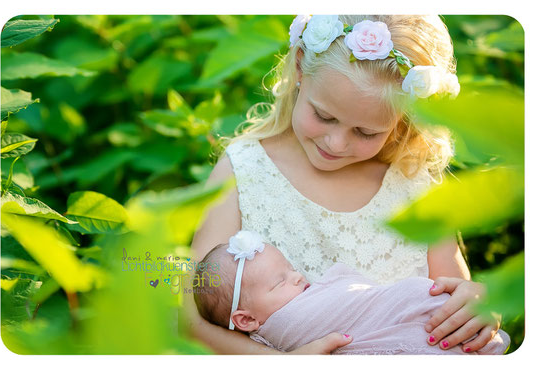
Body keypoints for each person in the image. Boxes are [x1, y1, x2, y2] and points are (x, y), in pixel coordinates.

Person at [186, 15, 501, 354]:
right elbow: (190, 321)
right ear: (301, 68)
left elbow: (455, 298)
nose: (336, 144)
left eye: (366, 132)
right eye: (324, 116)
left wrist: (475, 304)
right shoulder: (245, 170)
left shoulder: (414, 183)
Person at [192, 231, 509, 355]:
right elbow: (186, 321)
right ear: (246, 319)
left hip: (444, 326)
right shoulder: (283, 327)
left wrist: (479, 299)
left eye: (291, 269)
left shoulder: (424, 185)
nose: (299, 277)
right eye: (280, 283)